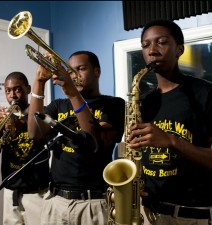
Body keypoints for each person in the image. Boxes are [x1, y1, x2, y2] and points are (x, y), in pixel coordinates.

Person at [127, 19, 212, 225]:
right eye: (146, 45)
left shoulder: (206, 93)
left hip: (190, 214)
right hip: (149, 212)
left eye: (161, 42)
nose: (152, 50)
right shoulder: (143, 101)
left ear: (179, 50)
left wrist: (171, 141)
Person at [27, 51, 125, 224]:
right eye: (71, 71)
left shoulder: (114, 104)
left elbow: (95, 142)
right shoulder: (59, 105)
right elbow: (34, 133)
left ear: (97, 71)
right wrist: (39, 82)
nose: (75, 75)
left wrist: (73, 94)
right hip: (56, 200)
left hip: (93, 202)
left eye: (81, 68)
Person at [0, 72, 49, 225]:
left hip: (37, 192)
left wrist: (20, 124)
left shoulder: (41, 113)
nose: (12, 95)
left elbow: (45, 137)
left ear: (28, 89)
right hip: (10, 192)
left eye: (17, 89)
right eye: (8, 91)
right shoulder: (3, 118)